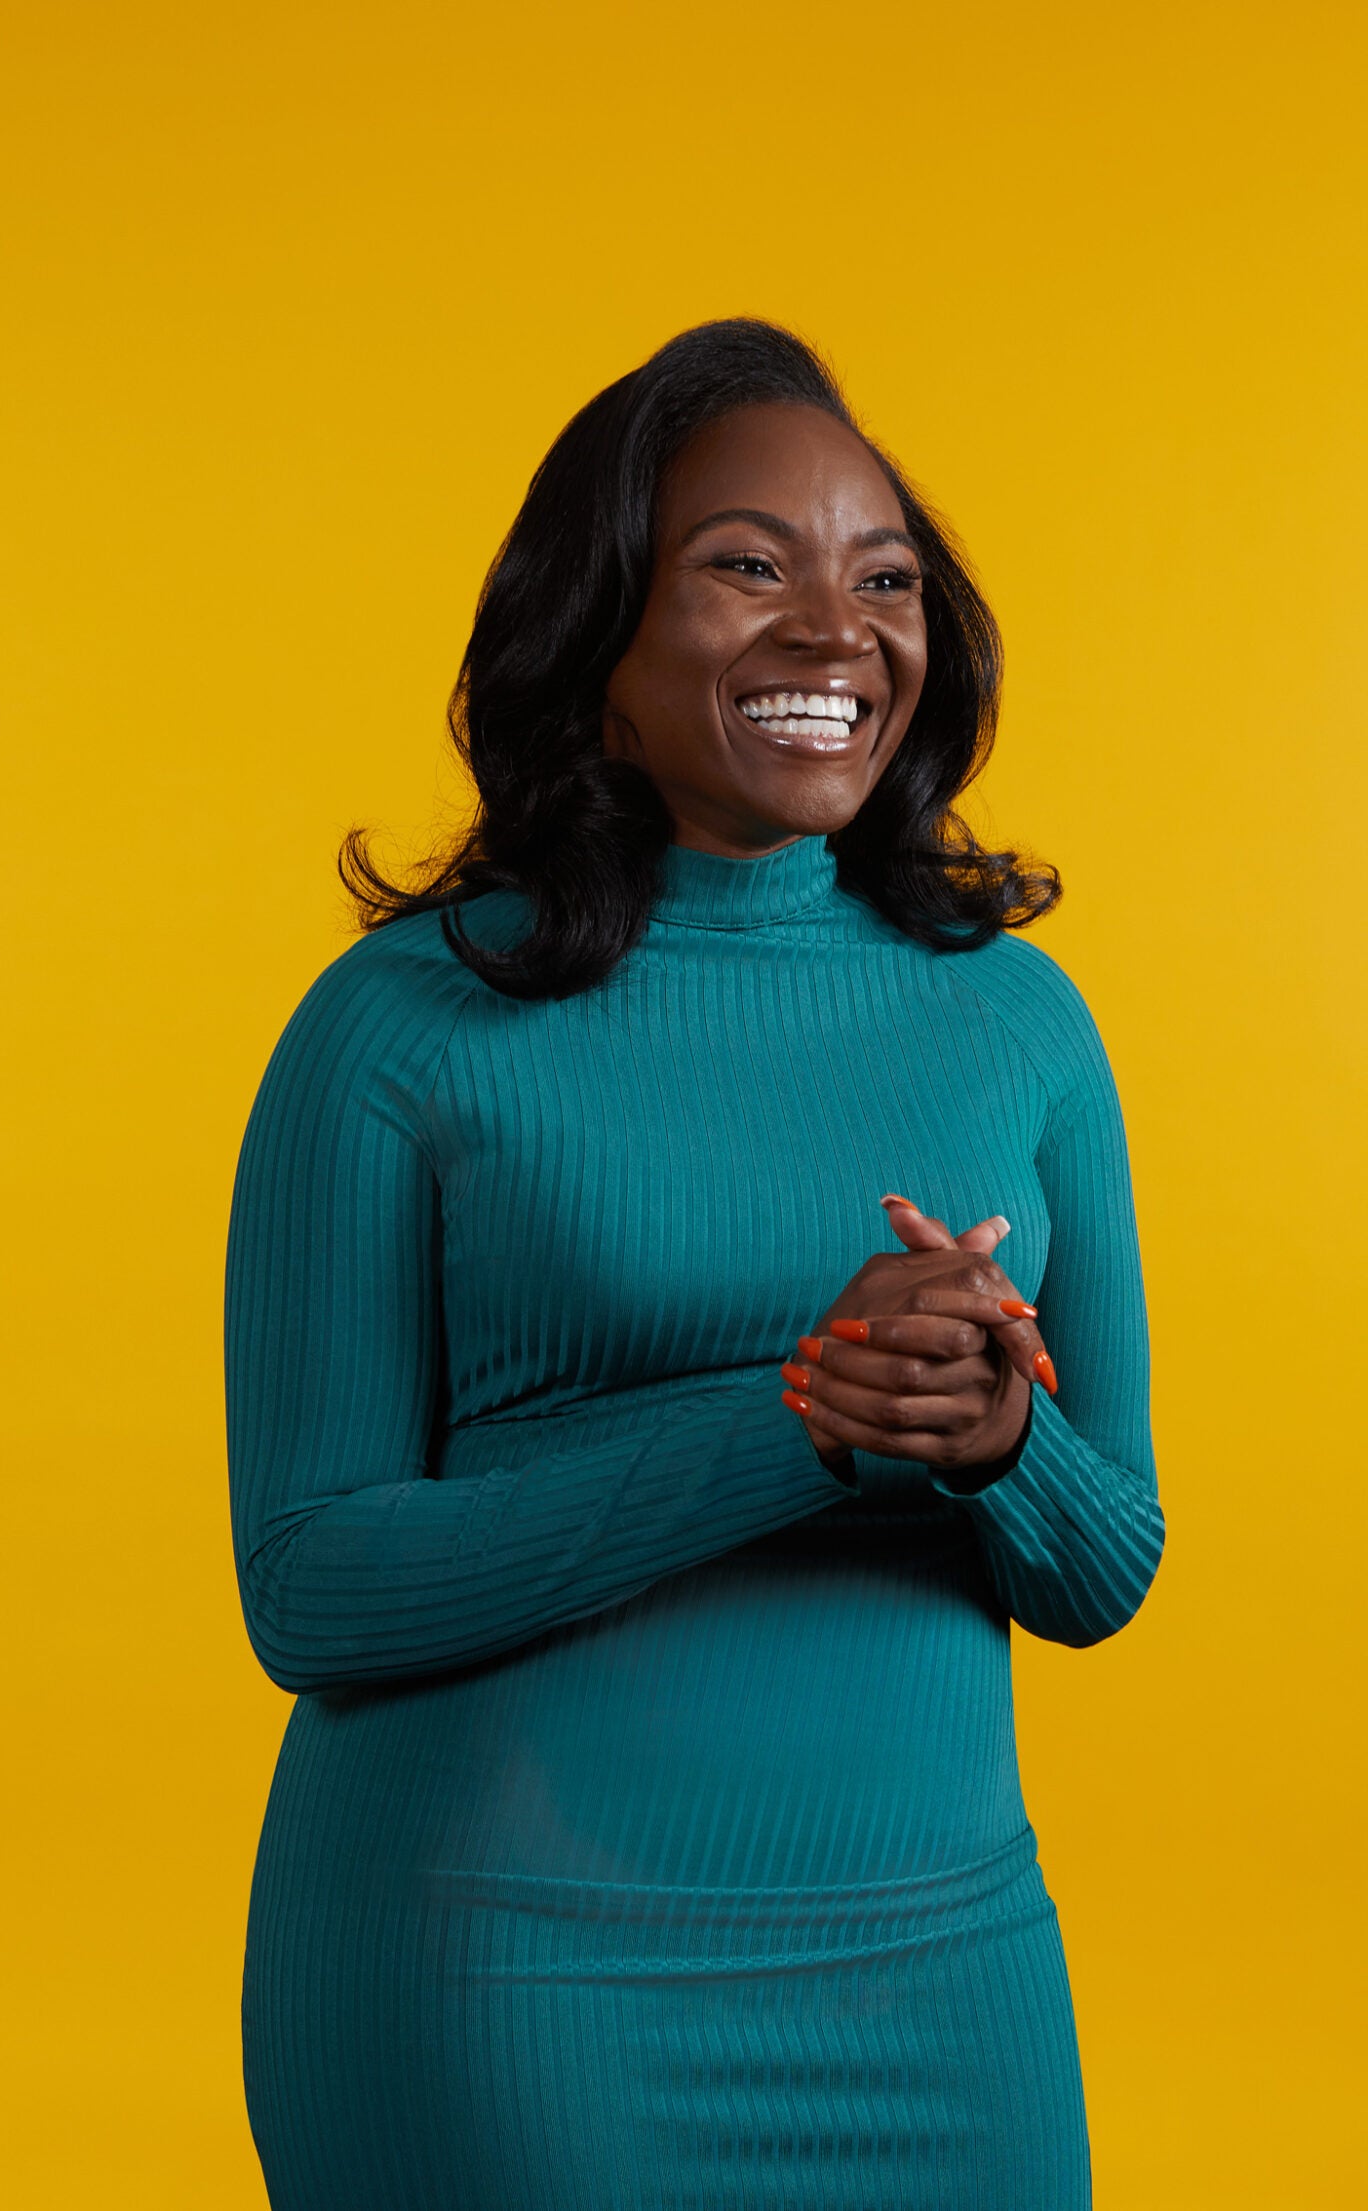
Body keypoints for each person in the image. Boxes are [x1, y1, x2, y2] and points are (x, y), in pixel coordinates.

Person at [223, 317, 1164, 2210]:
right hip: (504, 1982)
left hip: (942, 1980)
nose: (838, 631)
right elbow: (309, 1587)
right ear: (597, 641)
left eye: (882, 579)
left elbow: (1106, 1566)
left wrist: (992, 1442)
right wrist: (796, 1421)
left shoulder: (1021, 1025)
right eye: (753, 567)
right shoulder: (400, 1027)